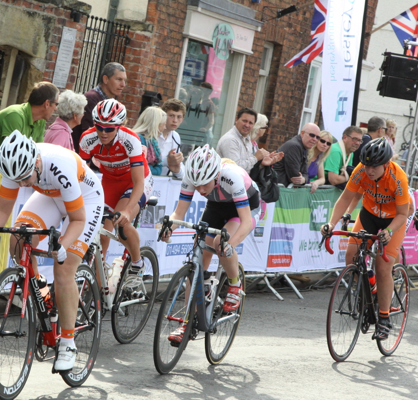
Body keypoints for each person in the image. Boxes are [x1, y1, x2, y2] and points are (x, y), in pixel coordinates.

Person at [0, 130, 104, 371]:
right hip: (51, 197)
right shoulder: (14, 167)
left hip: (86, 202)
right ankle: (44, 296)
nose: (22, 184)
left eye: (25, 178)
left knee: (64, 267)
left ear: (37, 161)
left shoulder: (59, 165)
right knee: (18, 240)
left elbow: (77, 219)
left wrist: (63, 246)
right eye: (18, 180)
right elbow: (2, 209)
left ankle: (68, 343)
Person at [160, 145, 261, 343]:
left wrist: (230, 245)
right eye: (196, 185)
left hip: (246, 208)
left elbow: (245, 222)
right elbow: (179, 213)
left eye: (205, 184)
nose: (200, 190)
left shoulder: (231, 177)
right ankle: (187, 322)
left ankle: (234, 284)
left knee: (220, 243)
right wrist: (169, 227)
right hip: (217, 206)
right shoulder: (193, 177)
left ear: (216, 175)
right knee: (198, 256)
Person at [320, 137, 409, 341]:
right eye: (367, 165)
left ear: (386, 164)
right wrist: (331, 224)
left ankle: (384, 318)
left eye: (374, 166)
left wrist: (389, 231)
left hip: (393, 220)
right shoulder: (360, 171)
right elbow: (345, 198)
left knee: (382, 266)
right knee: (351, 255)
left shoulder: (398, 178)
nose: (369, 170)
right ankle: (367, 289)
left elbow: (403, 214)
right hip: (369, 215)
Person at [79, 99, 153, 287]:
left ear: (119, 126)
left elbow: (138, 182)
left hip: (135, 182)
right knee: (102, 234)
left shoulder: (130, 140)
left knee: (121, 224)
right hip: (110, 182)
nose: (103, 132)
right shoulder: (87, 139)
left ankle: (137, 263)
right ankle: (98, 287)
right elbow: (80, 176)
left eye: (109, 129)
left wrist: (128, 211)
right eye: (99, 127)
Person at [71, 62, 127, 153]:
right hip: (83, 155)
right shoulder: (91, 99)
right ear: (105, 79)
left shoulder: (110, 102)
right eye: (119, 79)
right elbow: (89, 134)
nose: (123, 84)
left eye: (124, 80)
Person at [216, 107, 278, 173]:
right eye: (244, 121)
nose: (247, 125)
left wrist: (262, 164)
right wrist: (255, 158)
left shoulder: (247, 139)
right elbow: (235, 168)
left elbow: (248, 169)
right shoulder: (230, 140)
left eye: (250, 123)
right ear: (236, 119)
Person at [134, 106, 167, 176]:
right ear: (156, 125)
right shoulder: (138, 139)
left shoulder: (151, 142)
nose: (165, 128)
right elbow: (143, 168)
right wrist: (156, 169)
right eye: (163, 125)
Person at [159, 98, 186, 178]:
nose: (175, 120)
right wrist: (167, 161)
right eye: (171, 115)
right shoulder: (153, 134)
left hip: (162, 182)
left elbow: (180, 169)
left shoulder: (176, 136)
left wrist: (177, 171)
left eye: (179, 117)